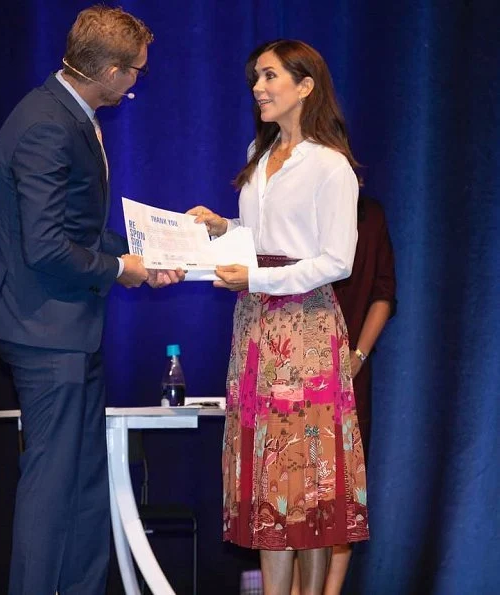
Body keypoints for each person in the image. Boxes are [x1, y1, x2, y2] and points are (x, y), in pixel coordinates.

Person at [0, 6, 183, 594]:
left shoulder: (69, 111)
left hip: (68, 330)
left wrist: (154, 249)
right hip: (44, 333)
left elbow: (76, 228)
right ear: (110, 71)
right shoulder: (46, 124)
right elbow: (45, 249)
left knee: (84, 483)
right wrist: (124, 268)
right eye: (137, 72)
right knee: (51, 487)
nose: (138, 82)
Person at [188, 39, 368, 595]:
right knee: (266, 474)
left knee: (306, 477)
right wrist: (224, 230)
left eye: (269, 77)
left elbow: (336, 260)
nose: (258, 88)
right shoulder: (259, 154)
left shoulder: (330, 165)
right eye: (255, 79)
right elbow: (261, 241)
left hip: (305, 331)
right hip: (255, 329)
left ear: (305, 86)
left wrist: (260, 278)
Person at [315, 195, 396, 595]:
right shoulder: (300, 206)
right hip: (298, 365)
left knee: (342, 494)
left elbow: (384, 292)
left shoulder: (368, 213)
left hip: (349, 371)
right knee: (298, 492)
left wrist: (359, 355)